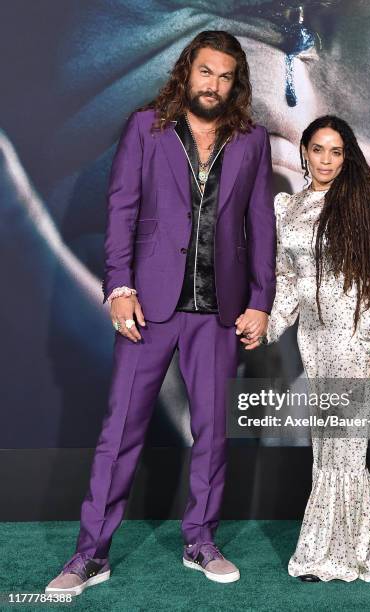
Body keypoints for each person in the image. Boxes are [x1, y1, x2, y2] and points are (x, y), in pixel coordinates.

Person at [45, 30, 276, 595]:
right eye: (206, 72)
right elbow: (121, 206)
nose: (214, 84)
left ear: (235, 82)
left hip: (218, 308)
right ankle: (90, 556)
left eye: (225, 76)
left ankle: (201, 541)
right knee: (119, 431)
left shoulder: (252, 141)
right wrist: (118, 285)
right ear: (187, 71)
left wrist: (261, 301)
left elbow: (261, 227)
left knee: (213, 435)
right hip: (149, 304)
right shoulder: (146, 128)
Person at [243, 115, 370, 581]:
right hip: (315, 341)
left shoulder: (366, 204)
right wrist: (269, 326)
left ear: (347, 155)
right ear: (305, 151)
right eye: (318, 150)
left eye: (336, 152)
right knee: (329, 448)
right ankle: (330, 552)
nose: (326, 161)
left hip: (357, 338)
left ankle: (351, 554)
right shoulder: (288, 209)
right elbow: (289, 282)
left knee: (351, 447)